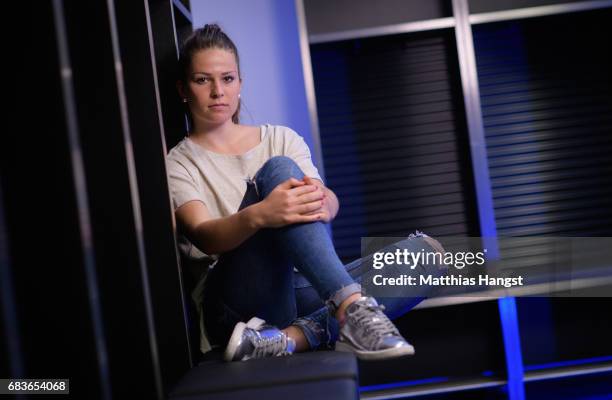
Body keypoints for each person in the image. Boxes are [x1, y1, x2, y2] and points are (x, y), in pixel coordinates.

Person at [166, 24, 447, 362]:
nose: (217, 91)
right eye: (202, 80)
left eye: (227, 79)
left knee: (428, 254)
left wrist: (323, 202)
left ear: (240, 83)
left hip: (296, 289)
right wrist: (261, 214)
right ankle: (351, 309)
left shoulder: (280, 136)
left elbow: (326, 199)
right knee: (278, 169)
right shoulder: (178, 162)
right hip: (232, 306)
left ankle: (288, 339)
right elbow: (204, 236)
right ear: (183, 89)